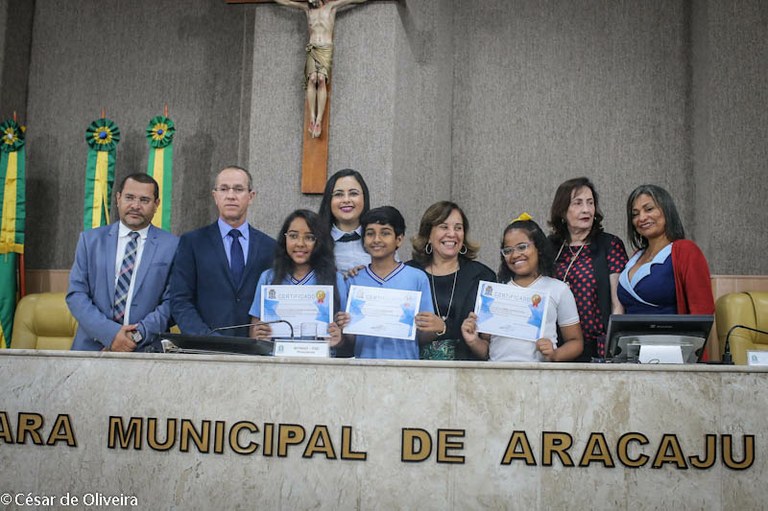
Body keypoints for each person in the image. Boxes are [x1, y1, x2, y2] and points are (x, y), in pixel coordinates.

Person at [67, 173, 178, 352]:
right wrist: (111, 335)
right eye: (129, 197)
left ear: (156, 204)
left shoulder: (173, 246)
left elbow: (173, 303)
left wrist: (135, 336)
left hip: (146, 349)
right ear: (118, 199)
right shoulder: (90, 241)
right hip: (92, 349)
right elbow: (76, 295)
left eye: (144, 200)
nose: (135, 205)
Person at [170, 166, 276, 337]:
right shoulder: (193, 242)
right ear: (215, 196)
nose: (231, 196)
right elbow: (180, 300)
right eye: (224, 189)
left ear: (251, 196)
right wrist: (206, 338)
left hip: (254, 350)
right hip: (205, 350)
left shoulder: (270, 247)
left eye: (239, 189)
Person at [461, 214, 584, 362]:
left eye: (522, 247)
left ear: (538, 248)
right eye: (508, 250)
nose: (515, 255)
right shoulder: (497, 292)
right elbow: (488, 350)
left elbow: (576, 342)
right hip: (496, 377)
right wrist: (473, 340)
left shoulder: (559, 289)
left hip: (539, 377)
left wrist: (554, 354)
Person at [335, 206, 443, 359]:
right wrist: (344, 326)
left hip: (406, 369)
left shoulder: (417, 278)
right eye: (370, 234)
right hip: (363, 369)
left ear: (399, 239)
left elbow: (423, 336)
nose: (377, 239)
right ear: (363, 240)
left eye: (385, 233)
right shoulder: (353, 280)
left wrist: (433, 328)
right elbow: (351, 339)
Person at [548, 177, 628, 361]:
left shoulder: (609, 244)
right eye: (578, 203)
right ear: (562, 211)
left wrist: (613, 345)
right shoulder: (550, 247)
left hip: (598, 347)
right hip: (558, 346)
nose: (586, 209)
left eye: (590, 203)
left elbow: (618, 304)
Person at [406, 201, 496, 360]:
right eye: (443, 226)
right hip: (412, 368)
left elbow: (487, 337)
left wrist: (443, 328)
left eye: (458, 228)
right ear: (428, 235)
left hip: (465, 370)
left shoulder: (482, 276)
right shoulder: (408, 273)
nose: (452, 234)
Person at [248, 209, 345, 346]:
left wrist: (338, 338)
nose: (300, 244)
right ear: (284, 238)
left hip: (321, 363)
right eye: (293, 236)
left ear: (320, 242)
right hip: (277, 362)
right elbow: (254, 331)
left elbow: (347, 336)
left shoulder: (336, 279)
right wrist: (259, 334)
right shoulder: (268, 278)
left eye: (309, 237)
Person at [275, 0, 368, 138]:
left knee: (321, 80)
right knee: (312, 80)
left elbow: (352, 0)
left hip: (325, 47)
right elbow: (288, 3)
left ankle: (319, 120)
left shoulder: (331, 7)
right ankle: (312, 117)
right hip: (312, 47)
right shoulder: (307, 9)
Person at [618, 184, 715, 315]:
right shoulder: (636, 256)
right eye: (635, 214)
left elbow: (703, 310)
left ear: (667, 210)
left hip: (669, 335)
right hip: (629, 335)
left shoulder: (686, 250)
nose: (641, 218)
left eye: (649, 209)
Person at [318, 168, 371, 273]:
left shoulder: (379, 239)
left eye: (353, 193)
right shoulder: (315, 240)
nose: (346, 200)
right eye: (338, 194)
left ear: (365, 198)